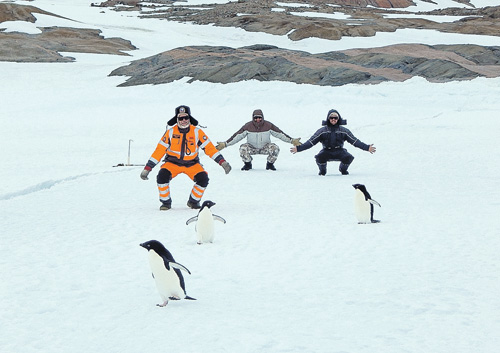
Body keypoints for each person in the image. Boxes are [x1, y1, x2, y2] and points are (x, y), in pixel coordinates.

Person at [140, 105, 232, 210]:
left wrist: (223, 162)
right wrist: (147, 169)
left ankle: (193, 202)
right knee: (162, 177)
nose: (183, 120)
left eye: (186, 118)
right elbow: (159, 151)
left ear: (190, 119)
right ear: (176, 119)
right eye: (180, 118)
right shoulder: (170, 133)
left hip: (192, 164)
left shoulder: (197, 132)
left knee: (203, 179)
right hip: (172, 164)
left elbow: (210, 149)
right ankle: (166, 203)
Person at [290, 109, 376, 175]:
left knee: (348, 157)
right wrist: (299, 148)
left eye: (335, 118)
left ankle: (343, 170)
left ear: (338, 119)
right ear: (328, 118)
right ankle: (322, 171)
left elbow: (355, 142)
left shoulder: (344, 131)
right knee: (319, 157)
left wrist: (367, 147)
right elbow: (310, 142)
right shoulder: (322, 131)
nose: (333, 119)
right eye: (331, 118)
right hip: (326, 151)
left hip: (340, 151)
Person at [216, 109, 301, 171]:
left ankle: (270, 165)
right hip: (252, 148)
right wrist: (225, 144)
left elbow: (281, 134)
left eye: (259, 118)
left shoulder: (268, 125)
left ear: (262, 117)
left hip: (265, 147)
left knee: (275, 148)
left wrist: (292, 141)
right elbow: (237, 136)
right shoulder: (248, 126)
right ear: (253, 118)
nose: (258, 120)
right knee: (243, 148)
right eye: (256, 118)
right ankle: (247, 165)